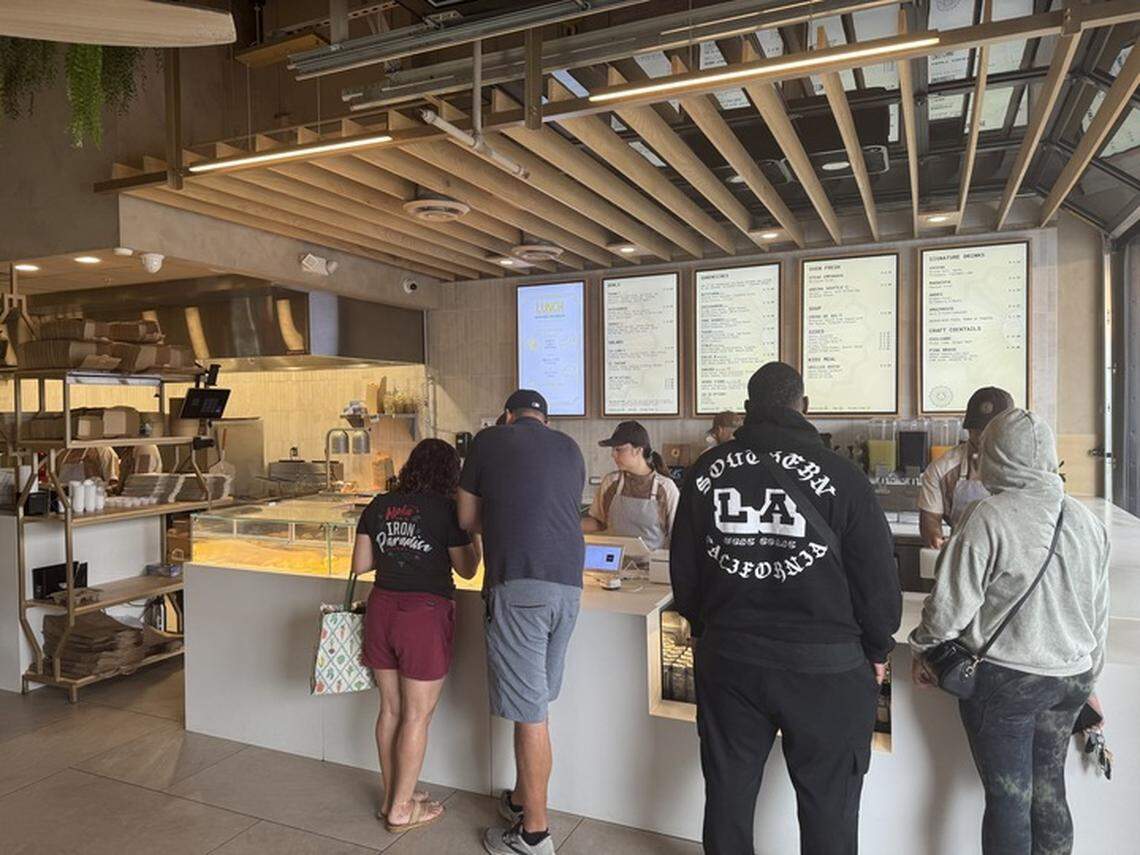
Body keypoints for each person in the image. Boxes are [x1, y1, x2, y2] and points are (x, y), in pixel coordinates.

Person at [671, 361, 901, 855]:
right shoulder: (845, 477)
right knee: (829, 807)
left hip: (730, 660)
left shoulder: (706, 472)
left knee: (729, 795)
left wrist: (704, 628)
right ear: (805, 408)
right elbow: (879, 582)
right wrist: (878, 648)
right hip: (828, 668)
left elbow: (684, 576)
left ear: (749, 410)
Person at [910, 409, 1109, 855]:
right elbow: (1098, 615)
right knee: (1050, 790)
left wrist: (923, 650)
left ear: (995, 458)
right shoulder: (1086, 521)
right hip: (1069, 681)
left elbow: (949, 608)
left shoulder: (988, 517)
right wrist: (1090, 680)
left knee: (1009, 799)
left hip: (1008, 684)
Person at [457, 389, 586, 855]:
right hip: (568, 589)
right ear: (546, 421)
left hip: (519, 586)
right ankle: (518, 799)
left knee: (531, 715)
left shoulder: (489, 440)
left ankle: (534, 834)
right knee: (536, 703)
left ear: (507, 416)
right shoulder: (570, 449)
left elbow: (467, 516)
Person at [351, 438, 481, 833]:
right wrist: (474, 530)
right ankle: (402, 809)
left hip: (381, 609)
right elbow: (468, 571)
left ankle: (394, 797)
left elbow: (360, 564)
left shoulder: (378, 505)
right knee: (417, 716)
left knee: (390, 711)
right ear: (450, 473)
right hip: (422, 617)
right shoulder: (447, 511)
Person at [918, 386, 1014, 548]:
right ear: (968, 429)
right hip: (964, 553)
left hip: (1015, 554)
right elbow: (930, 518)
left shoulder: (1026, 468)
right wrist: (936, 537)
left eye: (991, 432)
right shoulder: (942, 469)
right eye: (977, 431)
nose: (983, 438)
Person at [582, 420, 679, 550]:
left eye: (618, 449)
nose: (613, 454)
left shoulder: (666, 488)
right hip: (614, 563)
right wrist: (565, 525)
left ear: (638, 450)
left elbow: (678, 534)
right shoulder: (611, 482)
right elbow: (599, 522)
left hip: (653, 567)